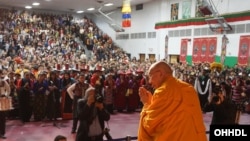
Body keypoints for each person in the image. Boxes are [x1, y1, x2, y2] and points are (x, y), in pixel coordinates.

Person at [138, 61, 207, 141]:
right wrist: (152, 103)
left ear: (160, 73)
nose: (149, 81)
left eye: (150, 76)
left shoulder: (163, 91)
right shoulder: (189, 88)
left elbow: (149, 125)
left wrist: (146, 103)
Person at [0, 69, 11, 139]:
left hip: (2, 99)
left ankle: (2, 133)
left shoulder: (3, 81)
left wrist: (6, 95)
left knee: (2, 117)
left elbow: (8, 89)